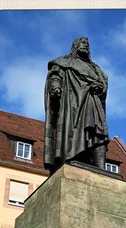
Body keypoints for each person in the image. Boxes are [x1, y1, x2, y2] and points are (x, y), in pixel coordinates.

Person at [44, 37, 109, 174]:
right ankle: (72, 157)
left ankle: (101, 168)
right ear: (75, 46)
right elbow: (56, 75)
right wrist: (56, 87)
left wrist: (100, 87)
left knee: (99, 132)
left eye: (87, 43)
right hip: (73, 104)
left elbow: (103, 83)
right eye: (82, 42)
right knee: (75, 131)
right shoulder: (65, 62)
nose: (85, 45)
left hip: (93, 102)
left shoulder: (96, 68)